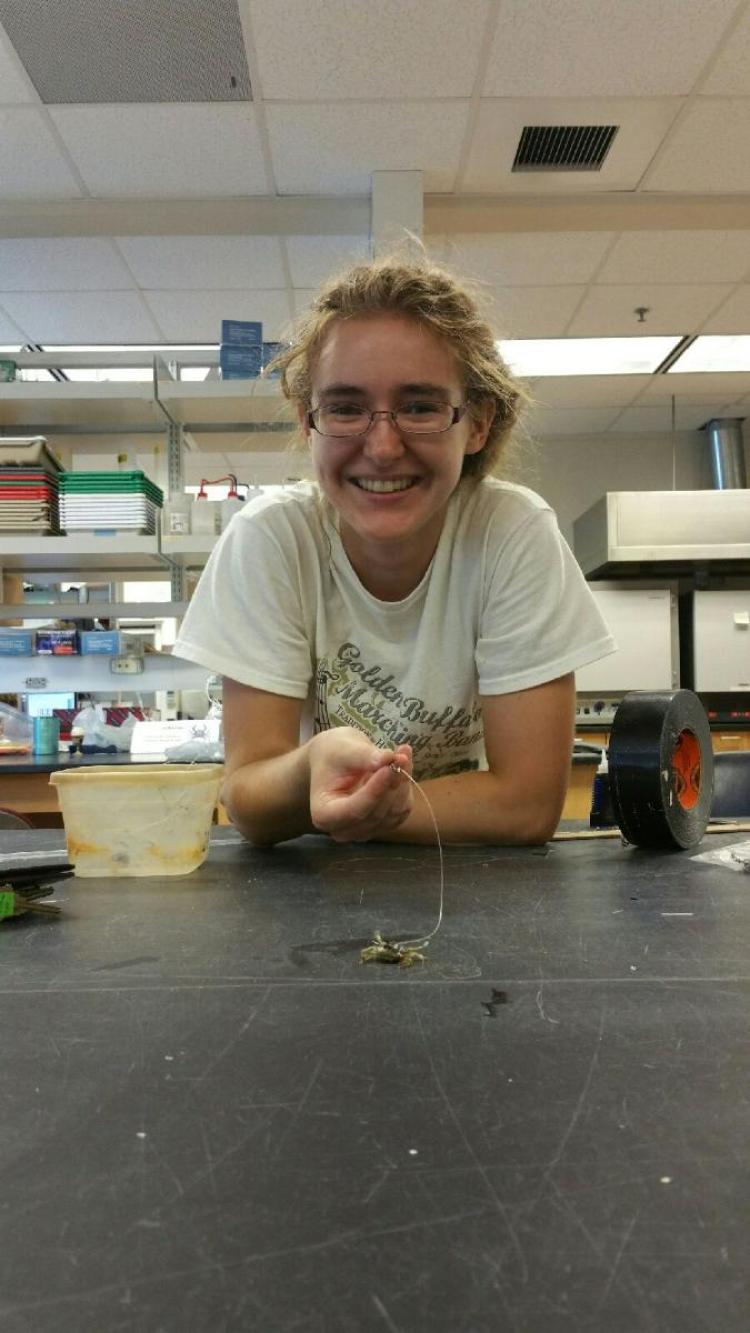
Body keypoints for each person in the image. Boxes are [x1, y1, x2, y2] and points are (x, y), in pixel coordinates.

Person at [173, 252, 615, 847]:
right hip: (319, 888)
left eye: (420, 407)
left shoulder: (512, 532)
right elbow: (247, 799)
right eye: (346, 408)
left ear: (477, 423)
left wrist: (367, 805)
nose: (382, 447)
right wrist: (309, 767)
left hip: (478, 883)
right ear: (309, 424)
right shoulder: (272, 538)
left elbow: (528, 805)